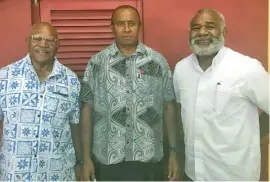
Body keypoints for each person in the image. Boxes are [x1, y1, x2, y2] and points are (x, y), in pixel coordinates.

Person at [80, 5, 179, 181]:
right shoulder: (96, 63)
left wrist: (173, 152)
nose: (126, 29)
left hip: (149, 158)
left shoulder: (157, 62)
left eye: (131, 23)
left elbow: (168, 106)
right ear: (112, 27)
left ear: (139, 26)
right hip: (107, 158)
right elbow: (87, 110)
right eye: (120, 24)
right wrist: (85, 159)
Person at [173, 8, 269, 181]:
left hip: (234, 174)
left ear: (223, 32)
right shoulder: (181, 70)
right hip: (193, 173)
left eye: (210, 26)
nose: (202, 32)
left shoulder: (247, 68)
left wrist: (256, 134)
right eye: (196, 27)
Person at [0, 22, 82, 181]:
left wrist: (81, 163)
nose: (43, 44)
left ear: (58, 45)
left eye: (49, 40)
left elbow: (75, 125)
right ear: (28, 41)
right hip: (15, 175)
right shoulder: (4, 77)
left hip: (59, 173)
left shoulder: (70, 81)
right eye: (37, 38)